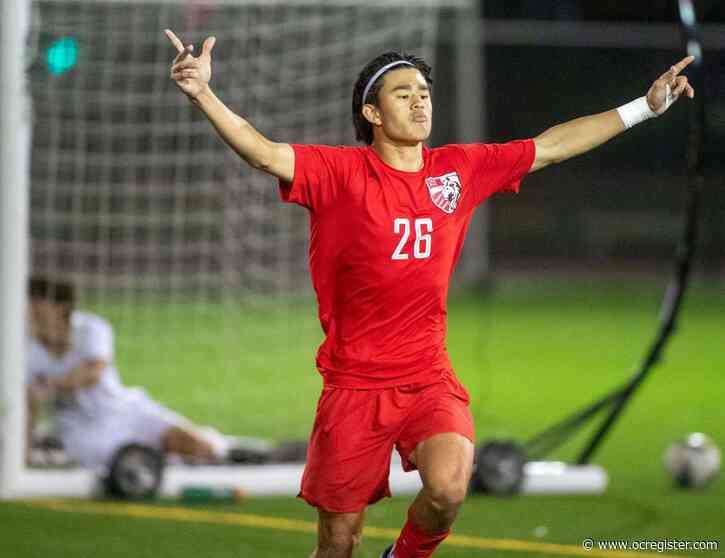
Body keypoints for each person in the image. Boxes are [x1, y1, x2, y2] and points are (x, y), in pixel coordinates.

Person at [164, 28, 694, 558]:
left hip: (427, 378)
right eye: (403, 93)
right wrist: (204, 93)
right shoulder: (342, 173)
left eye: (424, 92)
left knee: (447, 488)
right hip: (354, 388)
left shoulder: (458, 170)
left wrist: (644, 108)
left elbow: (551, 146)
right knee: (338, 544)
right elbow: (263, 153)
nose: (419, 102)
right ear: (372, 114)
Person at [26, 276, 286, 469]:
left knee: (197, 446)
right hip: (80, 430)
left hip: (125, 409)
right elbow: (28, 402)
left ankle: (243, 449)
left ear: (60, 306)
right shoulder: (25, 349)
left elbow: (93, 371)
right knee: (128, 464)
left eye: (38, 303)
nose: (31, 311)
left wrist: (50, 383)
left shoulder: (91, 328)